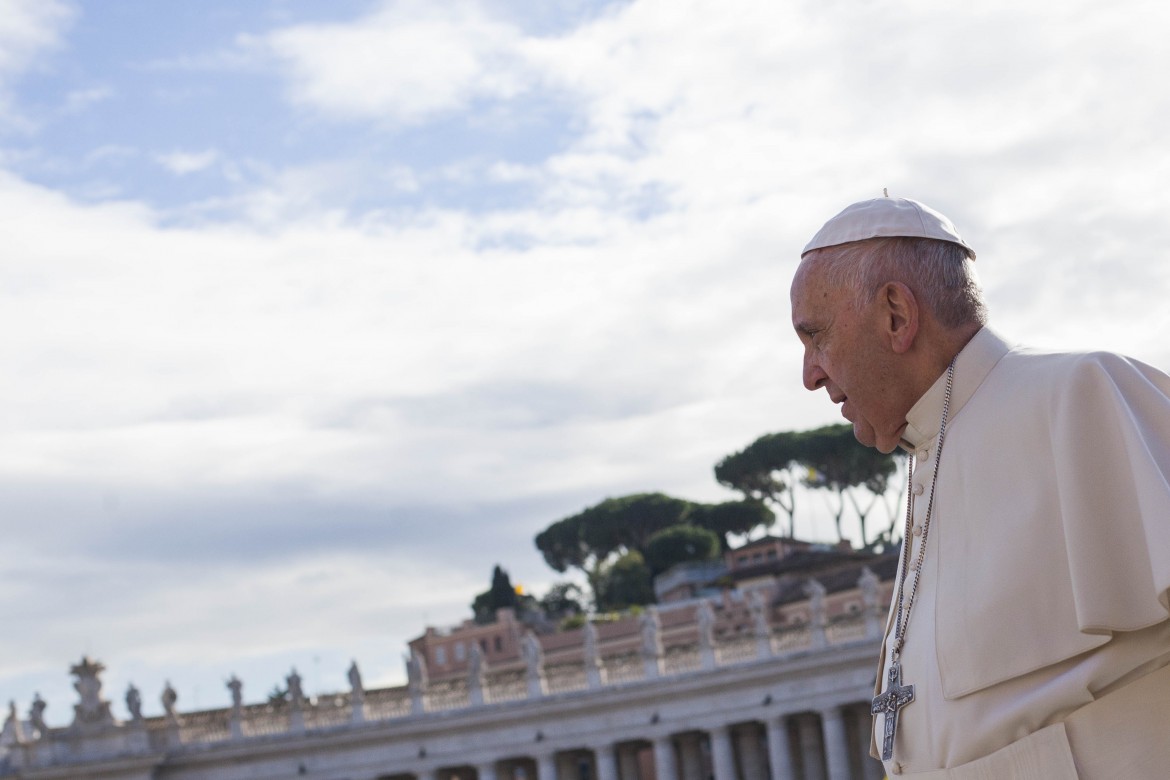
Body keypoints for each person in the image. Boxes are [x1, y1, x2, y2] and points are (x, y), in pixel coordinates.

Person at [790, 195, 1170, 779]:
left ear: (895, 314)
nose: (810, 374)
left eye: (815, 335)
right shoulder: (927, 458)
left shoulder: (1086, 393)